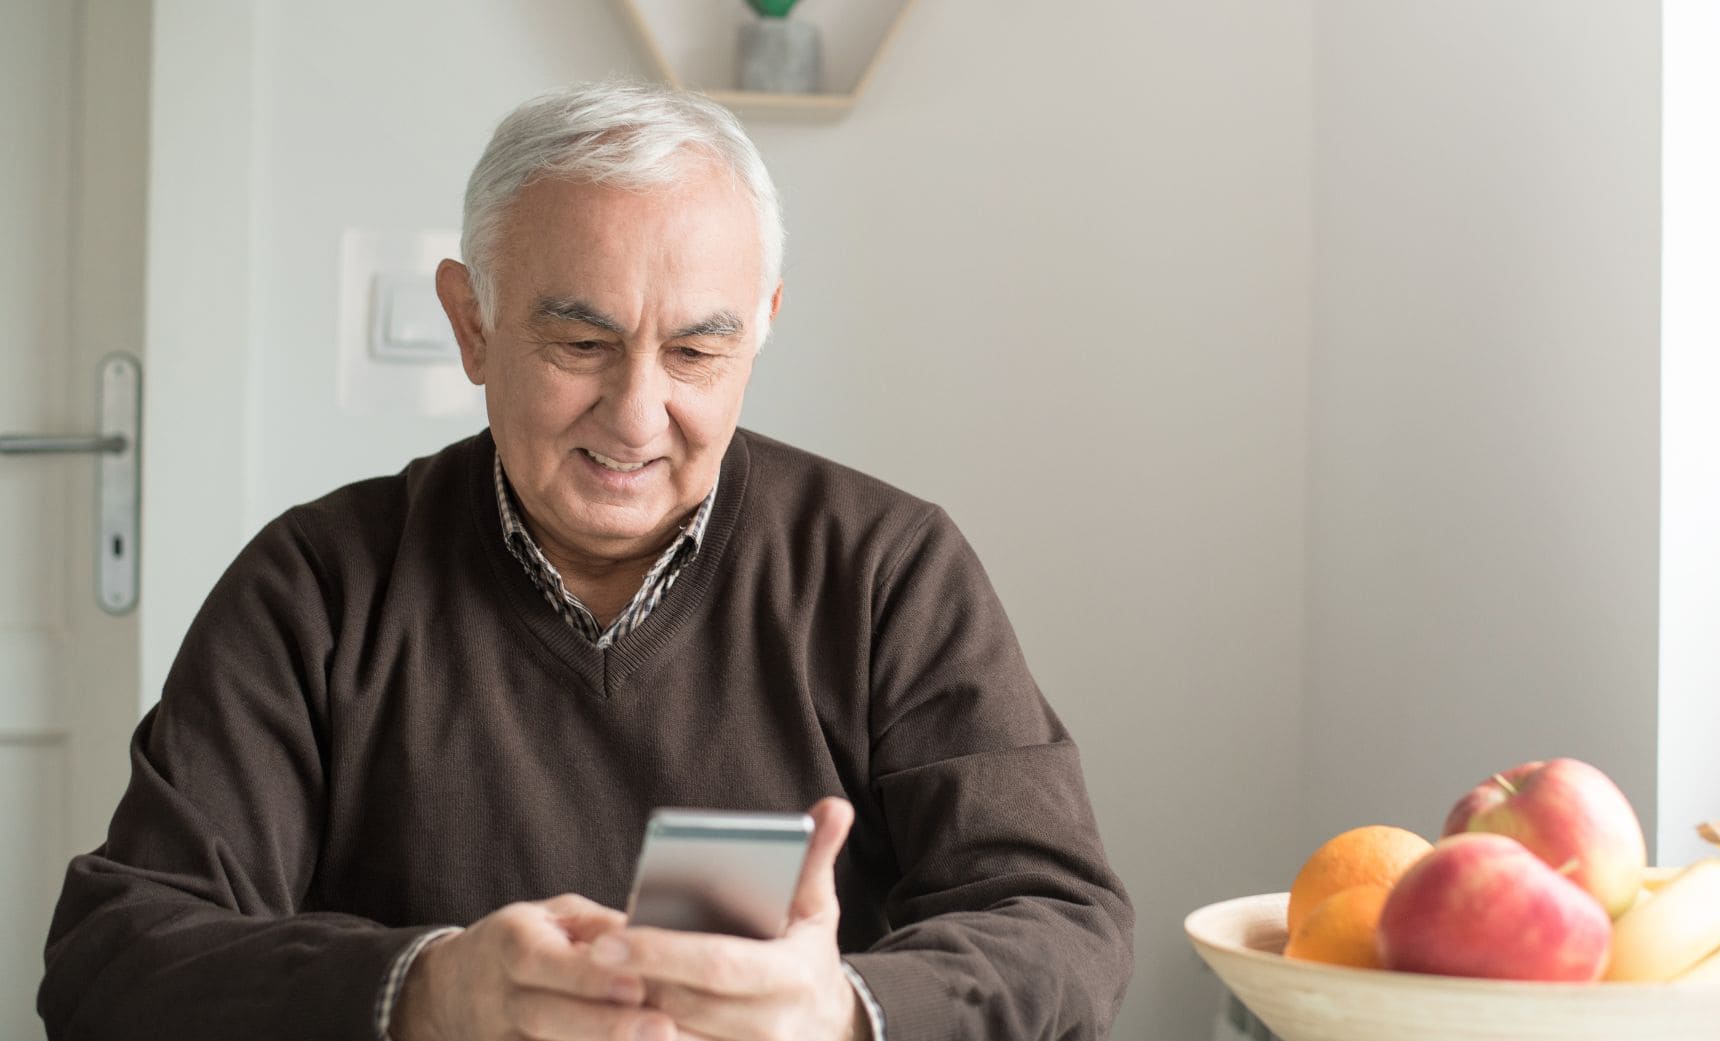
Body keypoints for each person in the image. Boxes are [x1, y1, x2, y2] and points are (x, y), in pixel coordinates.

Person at [39, 82, 1133, 1041]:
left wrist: (843, 1012)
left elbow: (1061, 919)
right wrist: (428, 993)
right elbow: (111, 956)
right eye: (581, 345)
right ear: (471, 323)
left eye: (696, 351)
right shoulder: (318, 587)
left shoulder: (888, 570)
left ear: (760, 329)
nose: (637, 416)